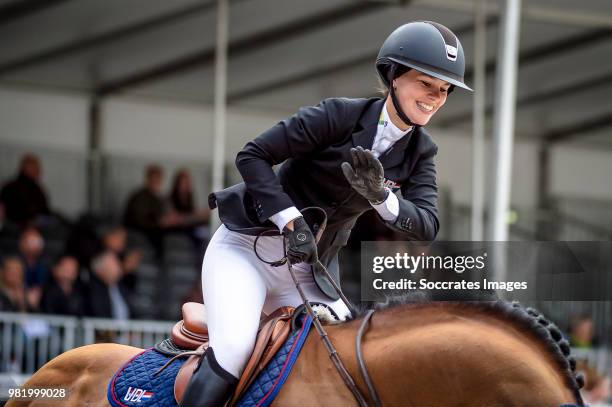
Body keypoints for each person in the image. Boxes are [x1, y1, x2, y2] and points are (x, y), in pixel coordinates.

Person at [181, 21, 472, 406]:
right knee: (234, 349)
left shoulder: (422, 151)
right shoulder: (338, 116)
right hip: (248, 250)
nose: (435, 98)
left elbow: (426, 227)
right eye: (426, 84)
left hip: (310, 270)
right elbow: (252, 155)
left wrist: (381, 196)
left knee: (351, 358)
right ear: (394, 76)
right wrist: (289, 219)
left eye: (444, 90)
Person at [0, 153, 50, 228]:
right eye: (36, 167)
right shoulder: (13, 188)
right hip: (22, 225)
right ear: (27, 168)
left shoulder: (36, 188)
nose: (39, 171)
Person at [84, 251, 131, 319]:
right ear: (101, 269)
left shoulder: (122, 287)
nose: (118, 267)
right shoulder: (92, 289)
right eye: (114, 264)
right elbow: (98, 313)